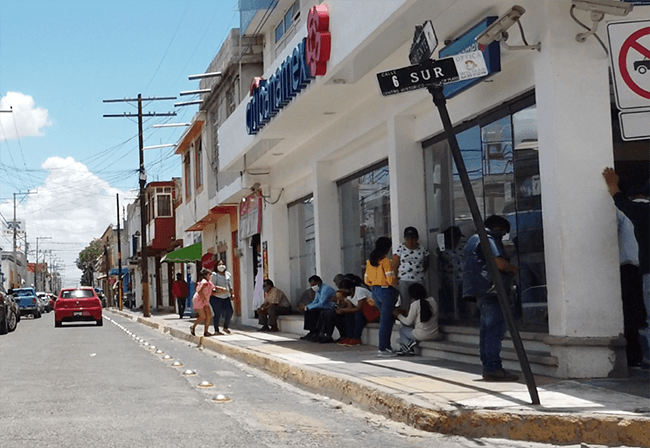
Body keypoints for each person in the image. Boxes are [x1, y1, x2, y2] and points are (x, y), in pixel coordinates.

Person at [462, 215, 519, 382]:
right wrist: (512, 269)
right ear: (498, 228)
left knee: (487, 330)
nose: (502, 236)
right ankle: (493, 367)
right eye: (503, 233)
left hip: (480, 291)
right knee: (494, 330)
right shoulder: (487, 238)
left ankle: (489, 366)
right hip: (491, 291)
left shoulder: (473, 239)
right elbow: (499, 263)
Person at [604, 167, 650, 363]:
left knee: (634, 314)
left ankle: (636, 356)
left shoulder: (637, 211)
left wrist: (613, 184)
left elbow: (620, 202)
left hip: (635, 270)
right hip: (641, 269)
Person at [616, 209, 646, 366]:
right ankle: (637, 355)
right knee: (637, 312)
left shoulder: (619, 211)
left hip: (626, 267)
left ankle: (634, 355)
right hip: (637, 265)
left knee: (628, 312)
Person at [365, 236, 399, 357]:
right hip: (386, 291)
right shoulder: (386, 262)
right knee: (386, 320)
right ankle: (383, 348)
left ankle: (386, 346)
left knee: (386, 319)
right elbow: (391, 279)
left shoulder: (370, 262)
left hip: (375, 290)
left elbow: (366, 280)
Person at [393, 283, 441, 356]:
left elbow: (408, 322)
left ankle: (408, 346)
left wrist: (398, 315)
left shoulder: (415, 304)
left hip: (421, 335)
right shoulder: (433, 301)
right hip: (434, 334)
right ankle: (408, 346)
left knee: (402, 330)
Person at [393, 227, 429, 311]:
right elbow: (395, 264)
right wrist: (395, 278)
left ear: (417, 238)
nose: (411, 241)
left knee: (419, 303)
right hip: (404, 279)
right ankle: (406, 322)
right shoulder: (400, 248)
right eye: (408, 239)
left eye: (413, 238)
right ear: (405, 239)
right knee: (405, 303)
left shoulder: (423, 249)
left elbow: (426, 263)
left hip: (419, 279)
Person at [335, 277, 373, 346]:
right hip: (363, 312)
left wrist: (343, 310)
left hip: (371, 312)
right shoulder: (348, 295)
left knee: (358, 314)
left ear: (351, 289)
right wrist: (342, 306)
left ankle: (356, 338)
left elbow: (359, 308)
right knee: (347, 315)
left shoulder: (360, 291)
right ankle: (349, 337)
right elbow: (350, 308)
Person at [297, 275, 336, 341]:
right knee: (308, 311)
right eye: (311, 285)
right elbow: (315, 301)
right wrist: (306, 307)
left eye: (314, 285)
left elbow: (321, 303)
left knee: (314, 311)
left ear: (318, 282)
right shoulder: (318, 290)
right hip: (323, 307)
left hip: (329, 308)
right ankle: (312, 332)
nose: (313, 287)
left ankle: (318, 333)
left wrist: (308, 307)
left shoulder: (325, 289)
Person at [210, 260, 234, 335]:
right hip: (217, 297)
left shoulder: (227, 274)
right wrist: (220, 288)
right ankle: (216, 330)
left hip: (226, 296)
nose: (221, 266)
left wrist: (232, 293)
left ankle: (225, 327)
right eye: (219, 264)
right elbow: (212, 285)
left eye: (223, 264)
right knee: (217, 313)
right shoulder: (214, 275)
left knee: (230, 311)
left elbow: (230, 285)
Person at [191, 268, 214, 337]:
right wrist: (204, 298)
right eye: (209, 274)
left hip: (205, 300)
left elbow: (211, 291)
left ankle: (206, 331)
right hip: (199, 300)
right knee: (202, 316)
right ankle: (193, 326)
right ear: (206, 275)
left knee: (209, 316)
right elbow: (199, 291)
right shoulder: (204, 282)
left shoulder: (209, 283)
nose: (210, 276)